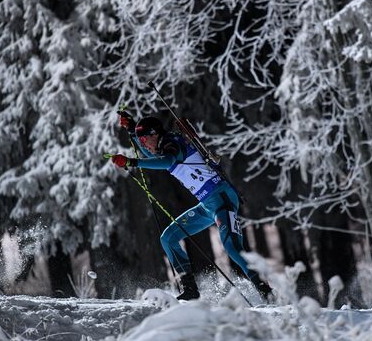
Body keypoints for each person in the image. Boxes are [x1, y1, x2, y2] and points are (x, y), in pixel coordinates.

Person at [110, 113, 271, 301]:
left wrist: (131, 162)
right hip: (207, 204)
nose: (143, 144)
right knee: (168, 238)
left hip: (222, 198)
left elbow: (167, 161)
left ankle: (264, 290)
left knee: (232, 247)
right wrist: (132, 131)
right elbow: (151, 155)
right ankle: (190, 290)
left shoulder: (173, 144)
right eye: (140, 140)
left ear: (155, 134)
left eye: (144, 139)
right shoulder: (162, 146)